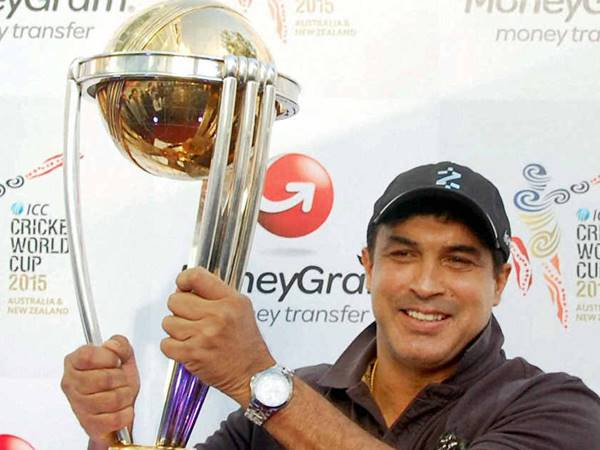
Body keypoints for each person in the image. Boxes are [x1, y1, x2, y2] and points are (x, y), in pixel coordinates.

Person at [61, 161, 600, 450]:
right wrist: (110, 434)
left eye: (458, 261)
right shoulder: (287, 403)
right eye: (403, 254)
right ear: (368, 267)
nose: (426, 284)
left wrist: (260, 382)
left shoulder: (556, 408)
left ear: (500, 281)